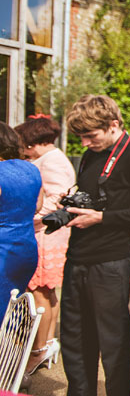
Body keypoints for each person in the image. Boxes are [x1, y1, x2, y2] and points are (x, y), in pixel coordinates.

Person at [61, 95, 130, 396]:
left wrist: (101, 217)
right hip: (78, 256)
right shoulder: (94, 153)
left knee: (114, 343)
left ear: (114, 125)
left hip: (109, 261)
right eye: (81, 136)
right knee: (75, 339)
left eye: (90, 136)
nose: (84, 143)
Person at [16, 115, 76, 375]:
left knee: (40, 289)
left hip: (46, 234)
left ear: (35, 142)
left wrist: (32, 216)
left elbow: (57, 198)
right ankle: (46, 343)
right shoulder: (52, 158)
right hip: (49, 232)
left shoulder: (51, 161)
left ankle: (39, 348)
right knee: (47, 291)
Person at [0, 122, 42, 307]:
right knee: (11, 306)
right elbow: (38, 206)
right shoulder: (31, 169)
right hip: (25, 249)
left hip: (3, 251)